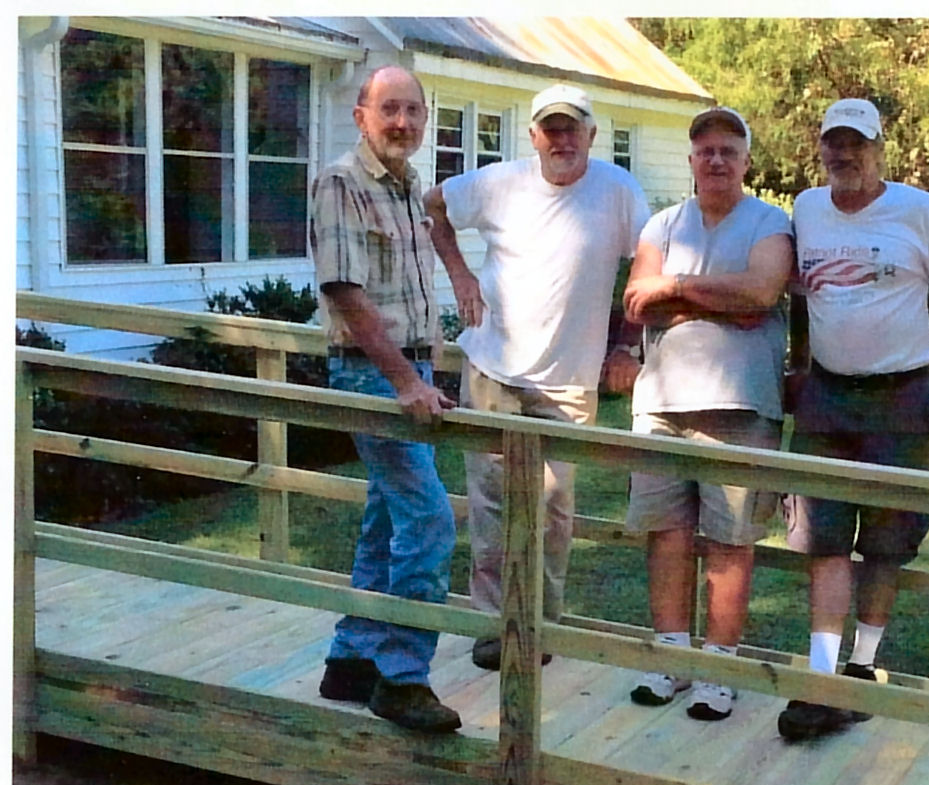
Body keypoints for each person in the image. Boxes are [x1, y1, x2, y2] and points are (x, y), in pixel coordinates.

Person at [424, 83, 650, 670]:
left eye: (572, 127)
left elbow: (648, 263)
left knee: (552, 511)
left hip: (568, 380)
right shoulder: (499, 183)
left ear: (592, 136)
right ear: (533, 137)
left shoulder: (619, 191)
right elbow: (433, 205)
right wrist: (461, 279)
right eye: (550, 128)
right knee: (492, 507)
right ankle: (491, 628)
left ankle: (543, 629)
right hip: (492, 368)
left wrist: (628, 341)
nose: (562, 138)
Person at [777, 98, 929, 740]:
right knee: (822, 532)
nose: (844, 155)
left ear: (878, 148)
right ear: (821, 150)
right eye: (833, 143)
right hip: (827, 396)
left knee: (888, 536)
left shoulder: (919, 211)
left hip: (902, 395)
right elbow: (803, 296)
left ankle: (861, 669)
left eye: (856, 143)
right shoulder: (807, 209)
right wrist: (801, 363)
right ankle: (821, 678)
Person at [619, 107, 793, 721]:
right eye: (705, 151)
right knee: (666, 536)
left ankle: (718, 671)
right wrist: (702, 294)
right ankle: (670, 657)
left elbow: (760, 295)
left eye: (728, 150)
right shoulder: (662, 224)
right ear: (692, 162)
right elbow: (638, 302)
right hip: (660, 406)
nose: (716, 160)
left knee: (729, 541)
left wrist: (676, 289)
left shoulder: (772, 222)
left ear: (746, 161)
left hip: (742, 405)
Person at [310, 66, 460, 733]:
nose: (402, 122)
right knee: (429, 520)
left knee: (385, 518)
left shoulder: (408, 186)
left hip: (409, 366)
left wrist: (425, 367)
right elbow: (346, 291)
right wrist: (404, 380)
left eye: (412, 111)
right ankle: (402, 675)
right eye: (388, 109)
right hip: (372, 374)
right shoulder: (343, 182)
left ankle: (351, 658)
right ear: (361, 116)